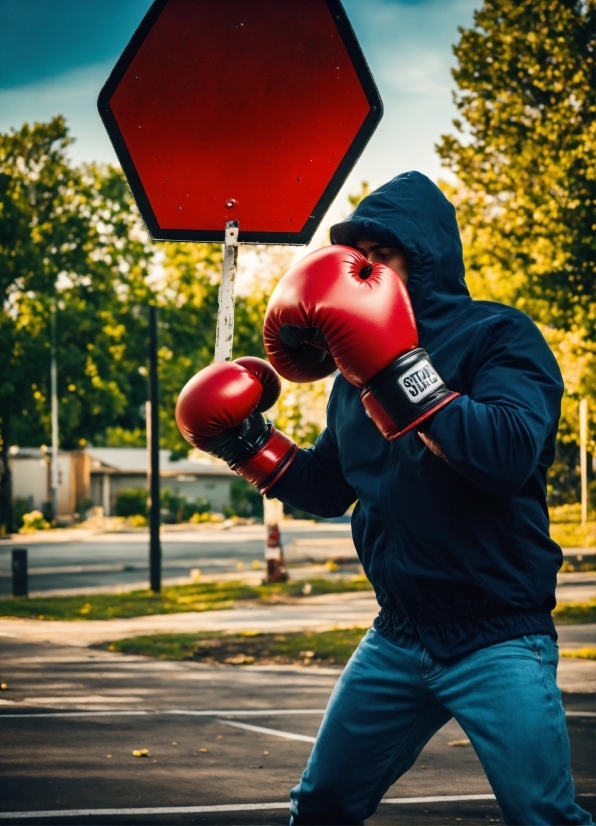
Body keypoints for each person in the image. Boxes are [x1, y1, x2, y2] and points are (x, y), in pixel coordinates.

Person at [175, 172, 593, 825]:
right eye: (358, 253)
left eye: (383, 252)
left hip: (496, 635)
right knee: (321, 806)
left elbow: (508, 453)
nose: (364, 268)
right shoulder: (352, 377)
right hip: (396, 636)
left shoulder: (501, 337)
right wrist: (245, 442)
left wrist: (401, 373)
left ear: (425, 258)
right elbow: (330, 486)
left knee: (541, 814)